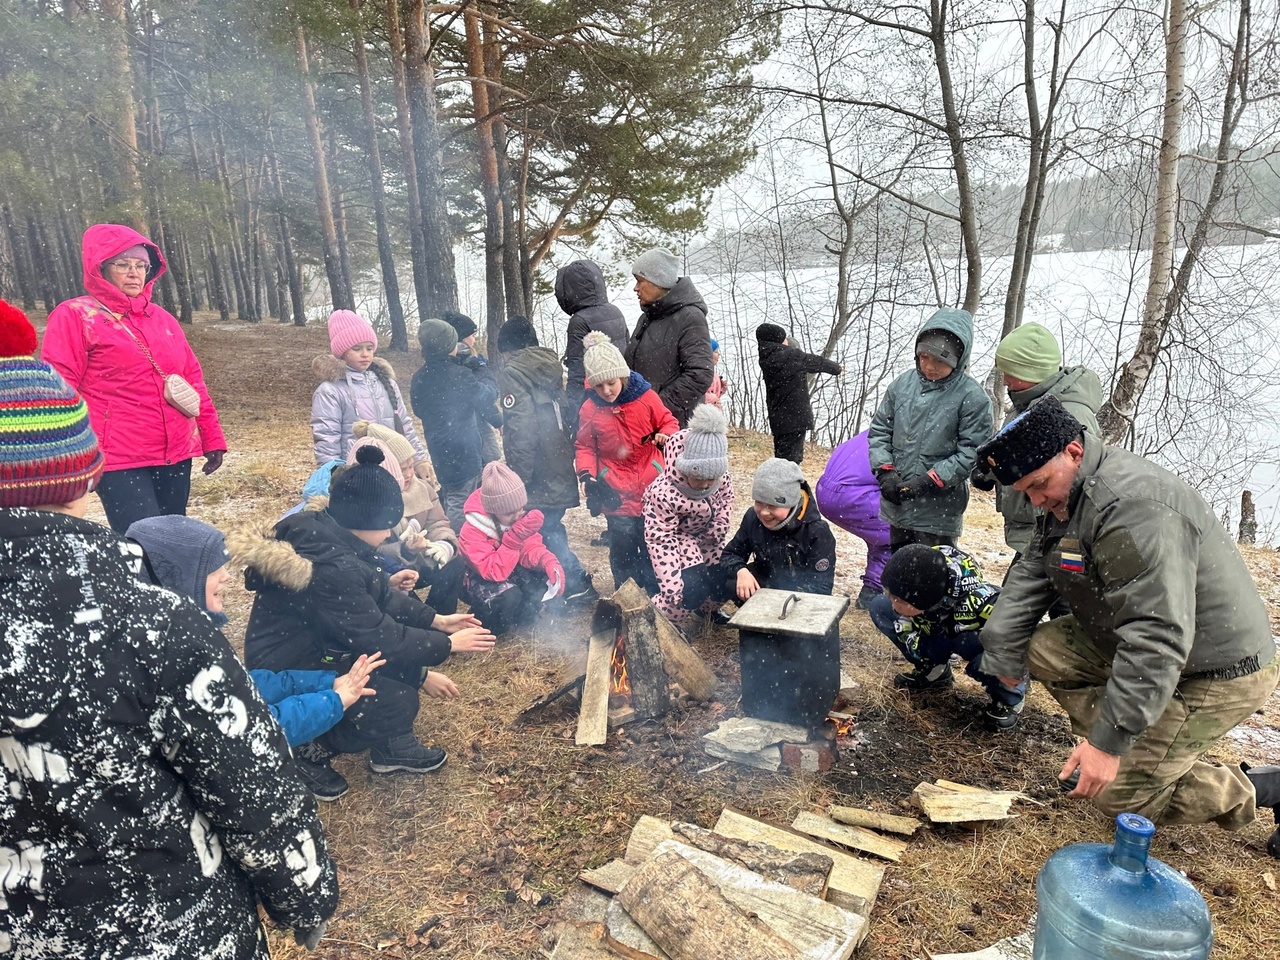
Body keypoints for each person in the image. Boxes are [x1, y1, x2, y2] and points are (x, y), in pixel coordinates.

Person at [0, 298, 337, 956]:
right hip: (177, 931)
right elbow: (253, 787)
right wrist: (305, 896)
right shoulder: (152, 625)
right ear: (84, 475)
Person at [975, 396, 1280, 850]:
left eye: (1039, 486)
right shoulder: (1067, 494)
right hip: (1132, 644)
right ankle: (1143, 743)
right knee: (1044, 649)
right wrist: (1001, 647)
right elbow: (1036, 565)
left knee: (1120, 797)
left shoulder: (1131, 508)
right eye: (1026, 493)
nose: (1036, 500)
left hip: (1215, 669)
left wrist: (1108, 744)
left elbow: (1157, 634)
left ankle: (1259, 788)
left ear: (1073, 452)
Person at [235, 444, 497, 800]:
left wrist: (437, 621)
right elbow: (377, 635)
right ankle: (308, 751)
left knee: (404, 672)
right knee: (390, 700)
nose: (390, 535)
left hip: (322, 644)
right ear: (365, 522)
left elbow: (379, 598)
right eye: (387, 526)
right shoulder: (332, 566)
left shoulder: (331, 536)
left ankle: (390, 744)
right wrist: (448, 646)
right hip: (289, 664)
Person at [126, 513, 385, 799]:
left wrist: (324, 684)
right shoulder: (173, 660)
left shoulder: (181, 635)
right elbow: (249, 732)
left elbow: (243, 685)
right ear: (178, 579)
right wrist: (333, 702)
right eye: (212, 569)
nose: (227, 576)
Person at [41, 223, 226, 533]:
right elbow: (59, 388)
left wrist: (212, 437)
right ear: (100, 268)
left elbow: (192, 379)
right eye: (122, 264)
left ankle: (174, 585)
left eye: (141, 265)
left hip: (174, 452)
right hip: (119, 458)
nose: (134, 273)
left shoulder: (162, 319)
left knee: (173, 541)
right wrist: (59, 450)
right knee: (143, 542)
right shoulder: (75, 315)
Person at [970, 322, 1103, 558]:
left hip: (1051, 532)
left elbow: (1081, 479)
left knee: (1024, 590)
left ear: (1031, 372)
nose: (1006, 381)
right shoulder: (1022, 406)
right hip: (1030, 531)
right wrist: (990, 471)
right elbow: (1021, 457)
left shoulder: (1071, 412)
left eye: (1011, 373)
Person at [867, 307, 991, 552]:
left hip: (938, 510)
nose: (930, 366)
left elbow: (971, 451)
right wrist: (885, 472)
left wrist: (930, 481)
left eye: (940, 361)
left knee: (933, 574)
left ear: (958, 361)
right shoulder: (902, 385)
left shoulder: (973, 397)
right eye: (924, 357)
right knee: (899, 568)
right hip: (898, 503)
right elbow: (880, 430)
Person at [495, 316, 597, 604]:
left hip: (537, 467)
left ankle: (574, 582)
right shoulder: (547, 366)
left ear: (508, 349)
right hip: (557, 459)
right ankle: (556, 580)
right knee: (549, 524)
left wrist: (519, 479)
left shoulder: (514, 372)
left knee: (545, 528)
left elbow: (520, 430)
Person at [869, 543, 1025, 730]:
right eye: (891, 595)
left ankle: (1009, 698)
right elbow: (899, 606)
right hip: (938, 628)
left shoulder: (982, 602)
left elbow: (1023, 629)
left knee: (978, 652)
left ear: (925, 598)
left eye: (900, 600)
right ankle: (934, 670)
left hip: (971, 636)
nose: (894, 604)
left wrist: (1008, 664)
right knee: (881, 607)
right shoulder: (921, 580)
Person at [576, 332, 679, 594]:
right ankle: (625, 594)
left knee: (651, 546)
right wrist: (588, 475)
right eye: (599, 386)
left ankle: (656, 594)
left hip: (651, 487)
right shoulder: (590, 409)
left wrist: (665, 436)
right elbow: (585, 446)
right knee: (622, 549)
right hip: (615, 490)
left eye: (611, 383)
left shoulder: (646, 398)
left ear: (621, 376)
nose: (606, 391)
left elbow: (668, 421)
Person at [352, 420, 464, 614]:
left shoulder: (422, 489)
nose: (410, 474)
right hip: (388, 571)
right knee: (404, 598)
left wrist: (445, 545)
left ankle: (442, 618)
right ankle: (419, 621)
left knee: (455, 562)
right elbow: (369, 552)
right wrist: (404, 550)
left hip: (422, 561)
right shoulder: (368, 498)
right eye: (402, 469)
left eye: (411, 466)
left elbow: (438, 522)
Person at [642, 404, 735, 632]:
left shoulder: (720, 478)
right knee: (688, 590)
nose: (704, 484)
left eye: (711, 479)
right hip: (678, 539)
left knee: (722, 579)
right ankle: (656, 623)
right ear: (685, 468)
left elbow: (726, 502)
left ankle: (707, 609)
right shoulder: (663, 493)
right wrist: (671, 584)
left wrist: (720, 527)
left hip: (708, 537)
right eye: (698, 477)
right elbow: (661, 540)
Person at [410, 317, 503, 531]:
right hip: (464, 448)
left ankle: (466, 538)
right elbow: (487, 395)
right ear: (450, 346)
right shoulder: (459, 375)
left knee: (455, 493)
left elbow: (418, 410)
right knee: (462, 500)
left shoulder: (419, 378)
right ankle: (460, 542)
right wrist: (483, 371)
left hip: (440, 447)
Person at [458, 461, 567, 636]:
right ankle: (483, 620)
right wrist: (512, 541)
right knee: (509, 597)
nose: (517, 516)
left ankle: (520, 615)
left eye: (520, 509)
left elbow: (530, 548)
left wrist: (546, 560)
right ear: (493, 510)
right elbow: (493, 572)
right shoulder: (472, 529)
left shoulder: (515, 517)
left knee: (541, 579)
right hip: (478, 578)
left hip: (509, 566)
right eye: (509, 513)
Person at [310, 308, 429, 466]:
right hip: (355, 470)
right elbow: (327, 439)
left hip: (392, 466)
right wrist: (333, 474)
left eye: (369, 348)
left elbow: (404, 425)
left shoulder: (387, 383)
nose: (365, 354)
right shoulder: (330, 391)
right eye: (357, 349)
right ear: (342, 352)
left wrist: (419, 460)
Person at [719, 457, 836, 602]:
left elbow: (821, 587)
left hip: (799, 598)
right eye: (759, 503)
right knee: (727, 580)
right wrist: (740, 571)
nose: (764, 512)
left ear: (792, 502)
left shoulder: (817, 531)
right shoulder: (752, 518)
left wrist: (777, 600)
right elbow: (730, 554)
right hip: (766, 582)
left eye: (772, 506)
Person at [624, 247, 713, 427]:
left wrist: (655, 405)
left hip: (673, 426)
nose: (635, 288)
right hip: (644, 421)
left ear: (658, 281)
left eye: (639, 281)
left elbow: (700, 374)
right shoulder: (647, 317)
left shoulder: (690, 317)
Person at [814, 430, 892, 610]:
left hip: (826, 488)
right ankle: (879, 592)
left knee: (882, 534)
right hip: (852, 495)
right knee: (901, 528)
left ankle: (871, 592)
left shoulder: (880, 429)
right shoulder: (908, 435)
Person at [556, 259, 629, 430]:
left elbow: (577, 372)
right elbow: (628, 352)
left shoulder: (579, 320)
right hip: (620, 392)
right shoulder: (615, 310)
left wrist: (572, 414)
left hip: (597, 399)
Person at [755, 323, 843, 463]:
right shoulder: (790, 356)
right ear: (777, 340)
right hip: (795, 417)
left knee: (781, 456)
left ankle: (779, 481)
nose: (787, 342)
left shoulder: (766, 357)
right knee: (792, 460)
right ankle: (788, 483)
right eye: (784, 339)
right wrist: (836, 368)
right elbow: (815, 361)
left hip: (778, 417)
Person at [443, 310, 502, 466]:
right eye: (472, 335)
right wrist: (498, 421)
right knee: (488, 463)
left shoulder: (451, 361)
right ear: (462, 338)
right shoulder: (467, 362)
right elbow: (480, 397)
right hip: (475, 424)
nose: (474, 339)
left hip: (455, 428)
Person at [704, 337, 729, 413]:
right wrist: (715, 398)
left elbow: (713, 395)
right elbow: (701, 396)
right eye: (716, 351)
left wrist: (721, 390)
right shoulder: (702, 372)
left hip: (714, 415)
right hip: (705, 414)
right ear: (708, 353)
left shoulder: (714, 374)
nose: (719, 354)